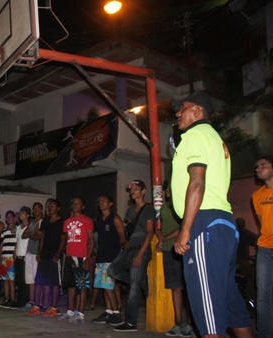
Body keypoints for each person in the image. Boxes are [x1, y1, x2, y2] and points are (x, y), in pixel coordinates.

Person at [171, 92, 253, 338]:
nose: (177, 113)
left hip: (204, 223)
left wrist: (186, 230)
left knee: (207, 309)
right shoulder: (216, 139)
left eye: (182, 108)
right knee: (230, 302)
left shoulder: (194, 136)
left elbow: (197, 183)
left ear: (197, 111)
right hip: (222, 224)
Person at [107, 179, 155, 332]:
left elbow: (149, 232)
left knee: (133, 287)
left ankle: (130, 322)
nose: (133, 191)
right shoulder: (130, 210)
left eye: (136, 188)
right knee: (112, 270)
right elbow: (130, 232)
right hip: (129, 249)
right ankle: (140, 281)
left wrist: (140, 253)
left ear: (143, 191)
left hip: (141, 249)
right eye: (131, 189)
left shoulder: (149, 209)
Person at [155, 180, 194, 337]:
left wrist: (164, 238)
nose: (169, 191)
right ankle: (178, 323)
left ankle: (191, 324)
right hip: (167, 251)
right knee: (175, 287)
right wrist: (161, 238)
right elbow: (157, 228)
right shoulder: (163, 209)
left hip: (182, 249)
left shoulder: (184, 206)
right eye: (167, 189)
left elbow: (185, 227)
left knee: (189, 288)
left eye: (172, 187)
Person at [57, 197, 94, 324]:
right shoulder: (67, 222)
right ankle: (70, 311)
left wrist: (87, 258)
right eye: (74, 203)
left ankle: (81, 314)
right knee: (70, 285)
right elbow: (67, 239)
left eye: (78, 203)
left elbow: (91, 241)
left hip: (81, 256)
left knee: (82, 285)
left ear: (83, 207)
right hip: (69, 257)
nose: (75, 205)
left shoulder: (87, 220)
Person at [91, 194, 125, 327]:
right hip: (101, 257)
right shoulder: (97, 219)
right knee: (103, 286)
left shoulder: (115, 218)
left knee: (108, 285)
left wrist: (115, 252)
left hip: (111, 257)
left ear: (111, 204)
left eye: (105, 200)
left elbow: (122, 238)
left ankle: (116, 313)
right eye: (100, 200)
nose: (101, 202)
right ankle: (109, 312)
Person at [27, 199, 63, 316]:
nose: (51, 207)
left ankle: (54, 307)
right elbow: (42, 238)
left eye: (53, 205)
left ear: (58, 208)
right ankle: (37, 306)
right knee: (40, 281)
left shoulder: (61, 221)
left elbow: (63, 239)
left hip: (54, 256)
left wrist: (58, 254)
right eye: (49, 205)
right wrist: (39, 253)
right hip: (44, 255)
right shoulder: (45, 221)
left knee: (54, 282)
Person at [253, 155, 273, 337]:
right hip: (265, 249)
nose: (258, 168)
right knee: (263, 294)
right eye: (257, 166)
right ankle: (265, 334)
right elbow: (262, 224)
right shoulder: (257, 196)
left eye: (263, 165)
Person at [20, 202, 43, 311]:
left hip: (36, 254)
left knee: (37, 279)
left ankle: (39, 302)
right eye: (34, 208)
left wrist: (32, 234)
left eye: (38, 208)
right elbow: (24, 235)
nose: (36, 210)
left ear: (42, 210)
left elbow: (36, 237)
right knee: (30, 280)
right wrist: (32, 233)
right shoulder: (32, 222)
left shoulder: (42, 222)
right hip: (29, 253)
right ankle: (31, 301)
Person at [0, 210, 18, 309]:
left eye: (11, 216)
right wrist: (0, 255)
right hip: (4, 258)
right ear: (5, 219)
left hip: (11, 257)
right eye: (7, 216)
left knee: (12, 280)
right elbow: (1, 244)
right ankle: (7, 298)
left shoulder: (17, 230)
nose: (9, 218)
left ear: (14, 218)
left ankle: (13, 299)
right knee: (5, 279)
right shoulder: (4, 231)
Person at [13, 206, 31, 308]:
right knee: (19, 280)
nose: (20, 215)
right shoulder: (19, 228)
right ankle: (20, 300)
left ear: (28, 215)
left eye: (23, 213)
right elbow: (17, 242)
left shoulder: (30, 226)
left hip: (26, 257)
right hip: (19, 256)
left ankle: (26, 300)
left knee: (25, 281)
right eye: (20, 213)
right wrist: (14, 253)